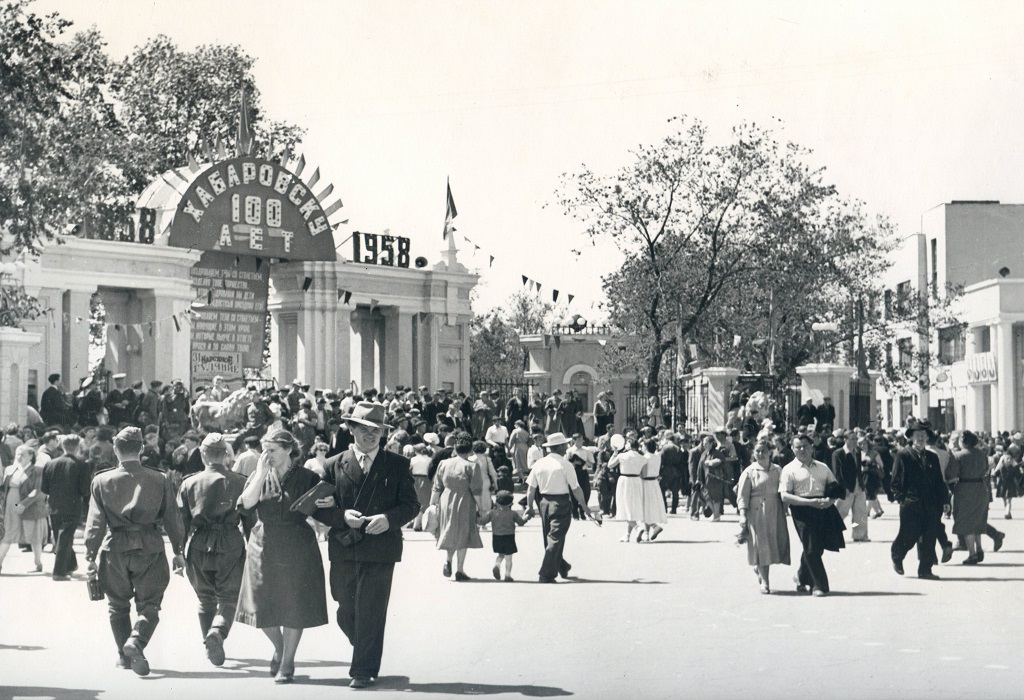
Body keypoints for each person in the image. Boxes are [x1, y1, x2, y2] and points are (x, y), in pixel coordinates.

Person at [318, 402, 419, 689]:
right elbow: (318, 508)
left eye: (376, 430)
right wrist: (341, 516)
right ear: (351, 429)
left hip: (381, 548)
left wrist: (389, 519)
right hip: (343, 546)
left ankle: (362, 670)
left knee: (371, 610)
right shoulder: (332, 464)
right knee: (344, 607)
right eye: (364, 429)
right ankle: (365, 641)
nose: (371, 435)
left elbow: (412, 505)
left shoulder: (397, 464)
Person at [83, 427, 185, 675]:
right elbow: (172, 517)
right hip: (149, 546)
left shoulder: (101, 480)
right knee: (150, 604)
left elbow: (95, 523)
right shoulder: (159, 478)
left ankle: (123, 656)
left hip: (114, 548)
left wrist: (90, 557)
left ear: (116, 451)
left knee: (117, 605)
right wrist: (178, 550)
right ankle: (136, 641)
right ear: (141, 449)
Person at [236, 428, 329, 684]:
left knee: (294, 605)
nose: (267, 455)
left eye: (273, 450)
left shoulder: (308, 477)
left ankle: (287, 663)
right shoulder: (259, 474)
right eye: (265, 449)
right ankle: (280, 648)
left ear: (289, 449)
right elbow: (245, 504)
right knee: (259, 605)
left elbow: (322, 509)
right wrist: (260, 473)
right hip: (263, 544)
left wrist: (328, 505)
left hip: (297, 546)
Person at [177, 433, 250, 666]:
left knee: (204, 597)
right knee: (229, 597)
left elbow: (182, 522)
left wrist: (179, 552)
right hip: (230, 542)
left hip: (199, 543)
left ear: (202, 455)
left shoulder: (189, 482)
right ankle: (217, 632)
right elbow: (250, 521)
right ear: (227, 455)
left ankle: (209, 642)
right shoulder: (241, 481)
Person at [779, 433, 846, 596]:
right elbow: (785, 495)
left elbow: (835, 487)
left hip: (823, 508)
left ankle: (801, 578)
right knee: (810, 547)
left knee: (818, 546)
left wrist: (830, 500)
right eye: (798, 447)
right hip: (802, 509)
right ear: (792, 449)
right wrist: (809, 503)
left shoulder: (822, 467)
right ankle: (819, 585)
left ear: (812, 447)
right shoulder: (789, 470)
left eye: (805, 446)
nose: (802, 449)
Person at [526, 432, 594, 582]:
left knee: (549, 537)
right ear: (560, 447)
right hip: (560, 502)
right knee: (555, 538)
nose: (567, 446)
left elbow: (531, 488)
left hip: (543, 502)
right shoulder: (565, 464)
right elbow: (576, 489)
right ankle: (546, 574)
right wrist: (585, 507)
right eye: (565, 444)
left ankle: (561, 566)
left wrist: (529, 506)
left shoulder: (539, 463)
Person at [890, 421, 950, 580]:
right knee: (908, 535)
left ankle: (925, 570)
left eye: (924, 436)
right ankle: (897, 555)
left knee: (929, 537)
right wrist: (903, 500)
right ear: (910, 437)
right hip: (911, 504)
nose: (921, 438)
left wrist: (945, 500)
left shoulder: (932, 456)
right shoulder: (903, 455)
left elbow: (939, 481)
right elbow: (895, 482)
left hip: (931, 504)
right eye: (918, 436)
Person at [737, 440, 790, 593]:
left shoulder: (778, 470)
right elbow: (743, 496)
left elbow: (785, 490)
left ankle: (759, 568)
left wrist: (786, 508)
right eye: (758, 451)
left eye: (764, 451)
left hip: (775, 512)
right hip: (756, 512)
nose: (760, 454)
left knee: (774, 545)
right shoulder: (749, 472)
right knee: (761, 545)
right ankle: (765, 582)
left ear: (770, 452)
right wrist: (743, 516)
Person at [431, 432, 484, 580]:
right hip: (465, 500)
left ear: (455, 447)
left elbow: (437, 486)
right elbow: (476, 491)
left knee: (449, 530)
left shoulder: (444, 463)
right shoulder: (472, 466)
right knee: (464, 534)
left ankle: (448, 560)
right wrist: (481, 508)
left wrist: (432, 504)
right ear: (470, 450)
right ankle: (460, 570)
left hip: (446, 499)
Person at [41, 434, 91, 580]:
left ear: (62, 446)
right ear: (77, 447)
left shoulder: (50, 463)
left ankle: (70, 564)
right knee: (65, 537)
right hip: (73, 505)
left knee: (60, 537)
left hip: (54, 504)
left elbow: (44, 488)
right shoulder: (82, 465)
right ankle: (59, 571)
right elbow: (84, 490)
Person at [0, 445, 47, 574]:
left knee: (33, 535)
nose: (19, 457)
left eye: (22, 454)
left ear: (31, 456)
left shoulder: (38, 470)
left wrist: (24, 504)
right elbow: (4, 488)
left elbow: (38, 490)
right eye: (17, 454)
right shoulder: (10, 469)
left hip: (30, 506)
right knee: (7, 534)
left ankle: (38, 563)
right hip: (11, 506)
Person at [947, 430, 990, 565]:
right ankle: (979, 548)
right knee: (978, 519)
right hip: (981, 488)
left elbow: (951, 475)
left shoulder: (957, 455)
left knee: (966, 521)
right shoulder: (982, 454)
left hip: (965, 488)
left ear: (963, 441)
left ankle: (972, 554)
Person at [477, 490, 530, 581]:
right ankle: (507, 576)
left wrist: (475, 517)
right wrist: (527, 517)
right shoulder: (513, 514)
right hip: (509, 537)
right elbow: (521, 523)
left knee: (500, 554)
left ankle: (497, 565)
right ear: (511, 503)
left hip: (497, 537)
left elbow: (483, 521)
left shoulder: (493, 513)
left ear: (496, 502)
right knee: (509, 558)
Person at [831, 431, 870, 542]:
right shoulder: (838, 453)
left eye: (855, 439)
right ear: (845, 439)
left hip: (858, 487)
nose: (854, 441)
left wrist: (862, 485)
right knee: (841, 512)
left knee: (860, 512)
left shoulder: (857, 452)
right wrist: (843, 488)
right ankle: (831, 534)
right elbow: (837, 473)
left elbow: (858, 470)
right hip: (847, 488)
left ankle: (860, 535)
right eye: (852, 439)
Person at [640, 438, 667, 541]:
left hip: (645, 483)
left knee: (644, 507)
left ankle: (652, 528)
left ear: (646, 447)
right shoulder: (657, 457)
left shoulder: (644, 458)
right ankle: (647, 532)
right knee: (648, 508)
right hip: (654, 483)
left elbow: (643, 474)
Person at [994, 443, 1022, 519]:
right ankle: (1008, 512)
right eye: (1007, 459)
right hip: (1002, 485)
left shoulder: (1013, 468)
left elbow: (1019, 475)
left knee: (1009, 500)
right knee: (1004, 500)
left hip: (1010, 485)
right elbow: (995, 474)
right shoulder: (1001, 468)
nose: (1009, 460)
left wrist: (1017, 467)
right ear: (1003, 460)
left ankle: (1006, 512)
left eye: (1010, 459)